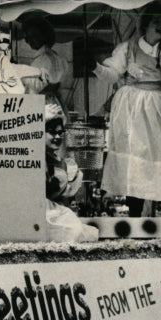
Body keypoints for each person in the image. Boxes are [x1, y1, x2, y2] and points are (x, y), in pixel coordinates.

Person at [94, 2, 161, 216]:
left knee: (157, 156)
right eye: (156, 21)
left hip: (158, 108)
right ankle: (135, 212)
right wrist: (96, 67)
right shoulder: (128, 48)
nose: (160, 26)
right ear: (146, 24)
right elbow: (112, 73)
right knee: (135, 157)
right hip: (131, 108)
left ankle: (157, 211)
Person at [44, 100, 98, 242]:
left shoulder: (63, 162)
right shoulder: (38, 157)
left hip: (58, 209)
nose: (57, 137)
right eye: (52, 133)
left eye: (60, 133)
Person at [21, 17, 70, 97]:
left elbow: (37, 87)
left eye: (34, 36)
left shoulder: (43, 59)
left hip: (43, 103)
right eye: (28, 37)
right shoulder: (55, 56)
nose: (30, 41)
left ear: (44, 35)